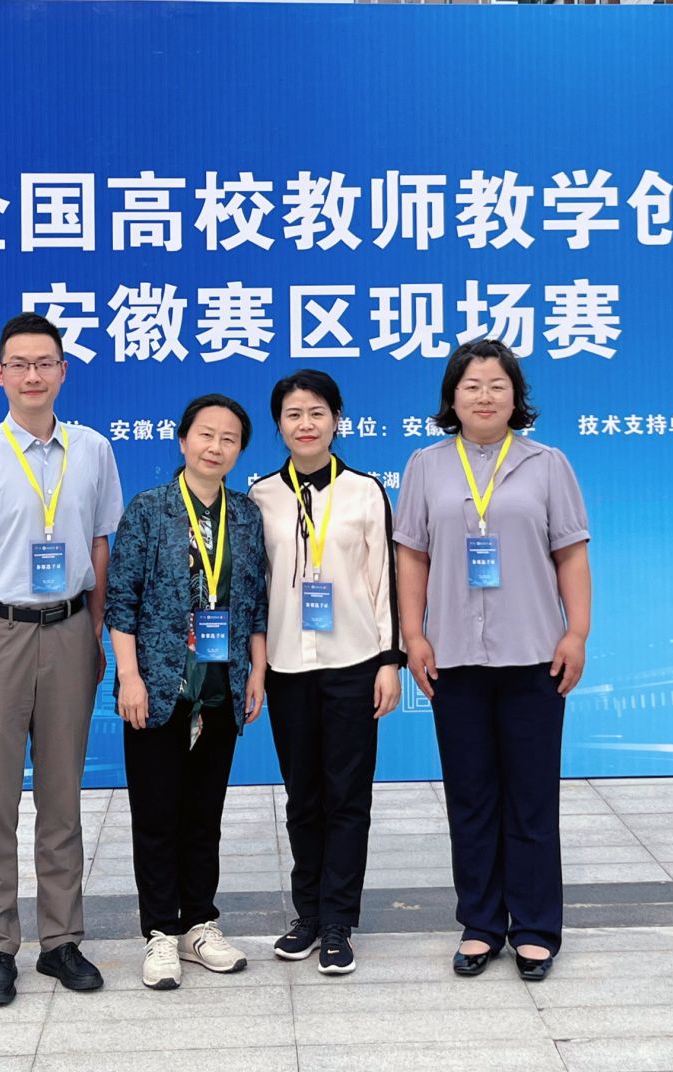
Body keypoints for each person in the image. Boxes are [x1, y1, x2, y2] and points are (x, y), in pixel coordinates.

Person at [0, 313, 125, 1009]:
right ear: (0, 375)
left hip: (71, 631)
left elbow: (100, 548)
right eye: (19, 364)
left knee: (62, 797)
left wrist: (96, 633)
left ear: (63, 372)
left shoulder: (93, 450)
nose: (33, 376)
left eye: (45, 363)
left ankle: (61, 941)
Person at [394, 339, 591, 983]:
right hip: (453, 657)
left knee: (531, 797)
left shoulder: (547, 464)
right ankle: (480, 923)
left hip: (534, 655)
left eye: (497, 385)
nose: (484, 396)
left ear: (516, 397)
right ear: (452, 398)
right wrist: (413, 635)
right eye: (472, 385)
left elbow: (570, 553)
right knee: (470, 797)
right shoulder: (425, 465)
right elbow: (412, 555)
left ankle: (534, 929)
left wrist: (577, 633)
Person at [106, 393, 269, 991]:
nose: (215, 447)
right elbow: (121, 601)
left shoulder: (245, 515)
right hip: (157, 687)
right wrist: (129, 676)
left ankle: (200, 923)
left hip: (221, 687)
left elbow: (255, 603)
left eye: (229, 439)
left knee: (205, 814)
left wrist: (256, 672)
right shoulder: (149, 510)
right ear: (183, 440)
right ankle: (159, 932)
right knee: (156, 814)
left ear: (239, 451)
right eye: (206, 434)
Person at [249, 369, 401, 976]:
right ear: (279, 424)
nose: (305, 424)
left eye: (317, 412)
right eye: (293, 414)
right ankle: (307, 914)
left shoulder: (365, 491)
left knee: (348, 796)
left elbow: (384, 581)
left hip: (353, 663)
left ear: (337, 419)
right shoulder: (261, 496)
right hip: (287, 665)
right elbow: (254, 589)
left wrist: (389, 662)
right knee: (302, 797)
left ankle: (338, 921)